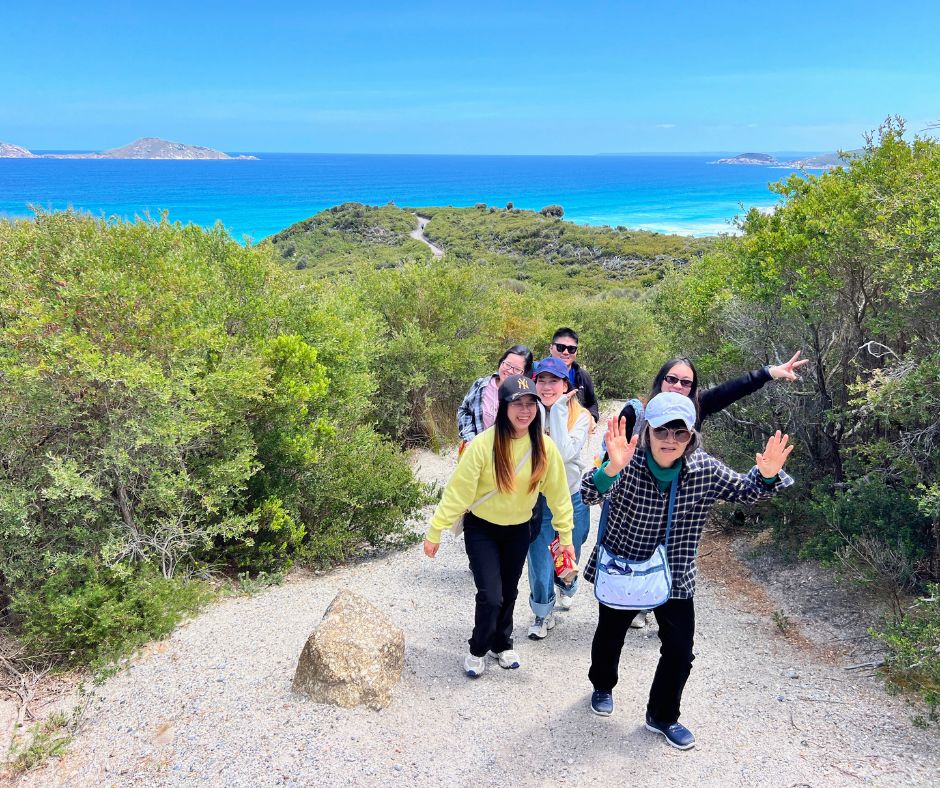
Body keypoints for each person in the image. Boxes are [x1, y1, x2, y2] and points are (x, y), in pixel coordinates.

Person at [581, 392, 794, 749]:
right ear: (648, 431)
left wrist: (768, 476)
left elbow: (747, 491)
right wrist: (611, 468)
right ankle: (602, 684)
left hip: (675, 572)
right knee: (610, 636)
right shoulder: (627, 461)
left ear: (691, 436)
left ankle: (662, 715)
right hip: (625, 568)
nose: (670, 440)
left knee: (680, 650)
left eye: (680, 433)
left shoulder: (705, 469)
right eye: (663, 431)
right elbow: (587, 494)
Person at [606, 350, 809, 629]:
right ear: (660, 381)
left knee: (678, 649)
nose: (678, 386)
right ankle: (640, 599)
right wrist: (610, 470)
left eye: (686, 383)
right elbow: (601, 480)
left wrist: (769, 372)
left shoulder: (699, 418)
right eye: (672, 379)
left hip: (680, 504)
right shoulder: (639, 414)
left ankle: (654, 597)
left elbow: (732, 390)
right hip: (636, 514)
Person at [425, 375, 576, 677]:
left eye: (530, 404)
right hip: (483, 530)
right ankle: (478, 648)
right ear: (503, 407)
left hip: (519, 529)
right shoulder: (483, 445)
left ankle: (502, 644)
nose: (524, 410)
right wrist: (435, 531)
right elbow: (458, 492)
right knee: (490, 594)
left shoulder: (544, 448)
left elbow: (559, 495)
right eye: (517, 404)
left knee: (508, 591)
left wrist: (566, 536)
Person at [525, 357, 593, 640]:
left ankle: (566, 586)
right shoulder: (528, 413)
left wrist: (558, 411)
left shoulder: (581, 417)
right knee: (540, 558)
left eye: (554, 381)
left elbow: (564, 454)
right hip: (539, 499)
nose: (547, 386)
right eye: (541, 380)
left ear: (566, 384)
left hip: (571, 497)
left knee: (568, 553)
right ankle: (542, 613)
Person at [456, 345, 534, 445]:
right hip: (477, 449)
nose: (510, 371)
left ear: (525, 373)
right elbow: (464, 410)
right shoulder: (481, 385)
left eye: (517, 369)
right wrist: (470, 438)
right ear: (501, 362)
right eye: (507, 364)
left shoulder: (526, 397)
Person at [548, 327, 599, 423]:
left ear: (576, 351)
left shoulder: (583, 376)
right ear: (551, 348)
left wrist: (592, 418)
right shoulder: (537, 373)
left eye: (571, 349)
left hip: (575, 431)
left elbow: (592, 403)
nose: (566, 352)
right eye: (560, 347)